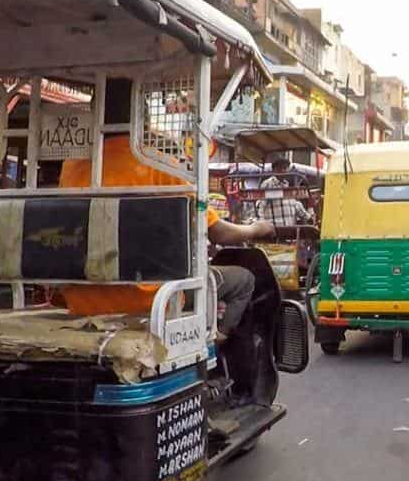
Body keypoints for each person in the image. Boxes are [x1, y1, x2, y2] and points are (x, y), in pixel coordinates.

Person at [58, 79, 274, 404]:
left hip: (82, 300)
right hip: (150, 302)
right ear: (142, 119)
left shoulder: (71, 167)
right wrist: (256, 229)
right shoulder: (164, 167)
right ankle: (216, 343)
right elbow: (220, 233)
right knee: (243, 280)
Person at [257, 157, 315, 227]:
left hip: (289, 228)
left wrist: (308, 217)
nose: (282, 171)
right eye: (279, 168)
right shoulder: (268, 184)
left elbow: (294, 204)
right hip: (274, 227)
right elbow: (261, 204)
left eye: (284, 168)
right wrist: (262, 224)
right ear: (274, 170)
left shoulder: (286, 184)